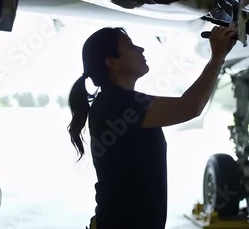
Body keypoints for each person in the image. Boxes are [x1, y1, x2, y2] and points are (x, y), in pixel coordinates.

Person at [67, 25, 238, 229]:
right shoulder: (118, 105)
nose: (141, 49)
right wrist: (217, 57)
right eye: (130, 46)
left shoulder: (116, 102)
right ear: (111, 62)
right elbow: (190, 106)